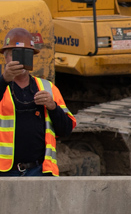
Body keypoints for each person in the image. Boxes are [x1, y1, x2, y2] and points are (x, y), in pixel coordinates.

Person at [0, 28, 76, 176]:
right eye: (14, 54)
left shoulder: (47, 88)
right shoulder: (1, 86)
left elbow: (66, 129)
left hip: (38, 171)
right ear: (5, 58)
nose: (18, 60)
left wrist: (53, 107)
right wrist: (4, 80)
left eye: (24, 54)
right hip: (4, 172)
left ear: (32, 57)